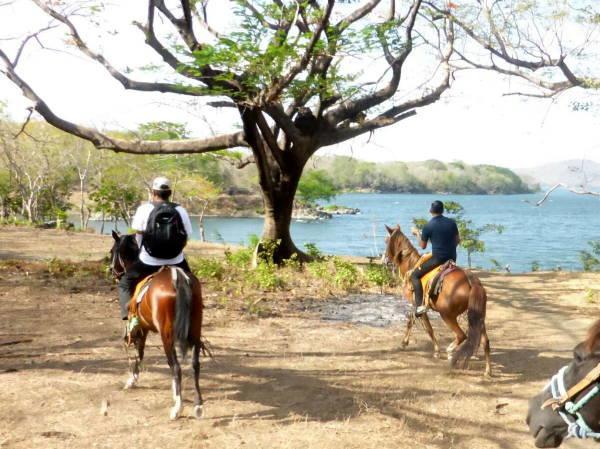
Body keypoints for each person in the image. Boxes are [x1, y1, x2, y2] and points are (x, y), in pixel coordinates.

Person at [118, 176, 193, 334]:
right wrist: (176, 252)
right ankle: (193, 319)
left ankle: (130, 318)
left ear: (153, 192)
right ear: (170, 193)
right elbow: (187, 236)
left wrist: (142, 253)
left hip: (148, 261)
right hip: (176, 260)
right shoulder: (180, 210)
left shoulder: (144, 209)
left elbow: (139, 234)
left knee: (125, 282)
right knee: (192, 283)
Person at [410, 200, 460, 317]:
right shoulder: (452, 223)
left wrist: (417, 233)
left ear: (430, 211)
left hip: (438, 259)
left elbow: (422, 246)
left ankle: (419, 307)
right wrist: (449, 249)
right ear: (443, 210)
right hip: (452, 257)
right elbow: (457, 240)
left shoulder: (428, 226)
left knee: (414, 275)